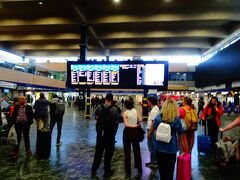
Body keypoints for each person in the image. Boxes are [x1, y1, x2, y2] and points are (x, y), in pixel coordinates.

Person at [153, 99, 184, 180]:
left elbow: (154, 129)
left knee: (162, 172)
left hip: (159, 148)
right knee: (169, 172)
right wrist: (181, 145)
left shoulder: (158, 117)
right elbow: (180, 132)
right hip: (171, 148)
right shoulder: (176, 119)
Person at [91, 93, 119, 178]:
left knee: (98, 152)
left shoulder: (99, 107)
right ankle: (107, 171)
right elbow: (117, 120)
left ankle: (94, 169)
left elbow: (94, 116)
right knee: (108, 153)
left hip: (100, 133)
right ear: (112, 99)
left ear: (105, 98)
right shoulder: (114, 109)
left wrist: (99, 119)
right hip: (110, 134)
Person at [122, 99, 142, 177]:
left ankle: (128, 171)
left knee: (127, 152)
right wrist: (136, 125)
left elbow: (126, 124)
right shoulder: (135, 111)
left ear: (125, 105)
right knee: (137, 150)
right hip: (135, 132)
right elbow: (140, 119)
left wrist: (133, 125)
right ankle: (139, 168)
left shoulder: (125, 113)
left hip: (127, 133)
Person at [146, 96, 159, 169]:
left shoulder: (154, 110)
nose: (147, 103)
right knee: (151, 146)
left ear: (151, 102)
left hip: (152, 130)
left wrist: (150, 133)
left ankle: (154, 163)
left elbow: (153, 122)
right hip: (151, 130)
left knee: (152, 146)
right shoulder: (154, 109)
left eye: (148, 101)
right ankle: (152, 161)